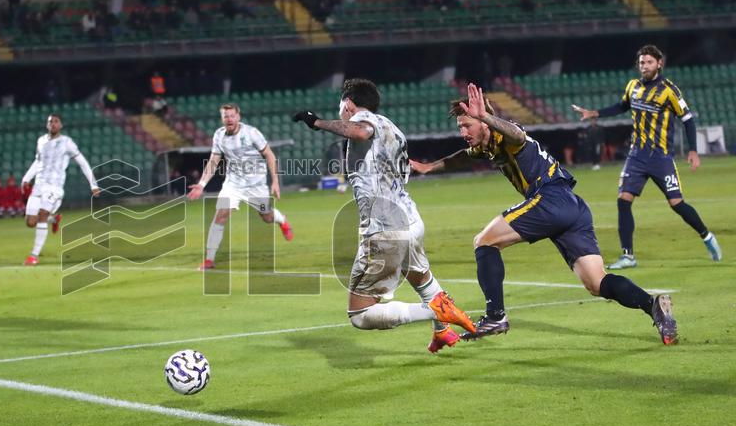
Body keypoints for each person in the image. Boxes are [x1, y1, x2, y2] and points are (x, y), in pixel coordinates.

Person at [410, 83, 678, 345]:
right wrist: (428, 167)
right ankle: (653, 305)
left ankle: (495, 316)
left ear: (484, 122)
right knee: (597, 283)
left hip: (550, 198)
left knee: (484, 242)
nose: (463, 131)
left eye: (467, 125)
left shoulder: (506, 135)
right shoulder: (485, 146)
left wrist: (486, 117)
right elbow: (461, 156)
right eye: (460, 127)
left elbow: (517, 135)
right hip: (572, 206)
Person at [291, 79, 476, 352]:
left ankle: (436, 312)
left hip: (385, 227)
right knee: (419, 277)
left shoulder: (364, 120)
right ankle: (443, 331)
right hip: (410, 219)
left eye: (341, 106)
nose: (341, 111)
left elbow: (361, 131)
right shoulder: (393, 128)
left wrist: (316, 122)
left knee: (360, 315)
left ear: (349, 103)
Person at [571, 44, 721, 269]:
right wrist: (595, 113)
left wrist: (692, 151)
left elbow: (688, 119)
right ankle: (628, 256)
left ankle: (707, 237)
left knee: (677, 204)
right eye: (642, 62)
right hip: (636, 156)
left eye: (649, 62)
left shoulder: (670, 90)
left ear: (659, 64)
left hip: (661, 157)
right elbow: (622, 106)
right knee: (623, 201)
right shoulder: (633, 86)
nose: (644, 66)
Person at [188, 103, 294, 271]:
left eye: (232, 115)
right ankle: (209, 259)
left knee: (266, 217)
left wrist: (275, 181)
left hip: (256, 185)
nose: (229, 119)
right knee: (220, 215)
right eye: (226, 116)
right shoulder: (219, 135)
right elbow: (214, 161)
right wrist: (201, 184)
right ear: (222, 119)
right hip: (233, 184)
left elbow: (269, 154)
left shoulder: (251, 133)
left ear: (238, 116)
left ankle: (281, 219)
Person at [22, 114, 101, 265]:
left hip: (55, 187)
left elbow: (83, 163)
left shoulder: (67, 143)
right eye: (50, 122)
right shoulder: (41, 141)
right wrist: (26, 178)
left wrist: (93, 184)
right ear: (47, 125)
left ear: (61, 125)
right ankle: (54, 219)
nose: (53, 124)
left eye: (56, 121)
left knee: (43, 214)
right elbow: (37, 162)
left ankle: (34, 256)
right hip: (39, 185)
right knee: (30, 222)